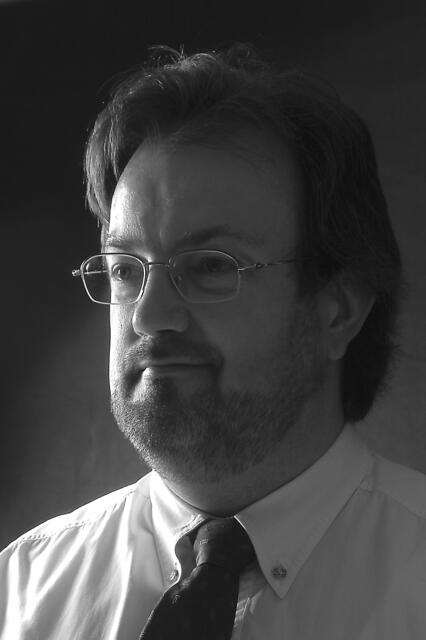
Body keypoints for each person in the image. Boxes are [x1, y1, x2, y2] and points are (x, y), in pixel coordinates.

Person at [1, 43, 425, 639]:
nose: (149, 316)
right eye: (125, 269)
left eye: (210, 266)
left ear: (340, 310)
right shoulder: (21, 592)